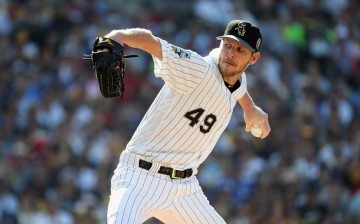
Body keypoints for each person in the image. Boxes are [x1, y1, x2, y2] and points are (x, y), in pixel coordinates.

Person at [104, 20, 271, 224]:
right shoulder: (197, 68)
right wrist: (118, 36)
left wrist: (250, 108)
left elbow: (237, 87)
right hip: (139, 177)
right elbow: (152, 42)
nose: (231, 54)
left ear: (253, 59)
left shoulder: (236, 77)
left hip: (184, 189)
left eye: (240, 50)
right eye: (227, 45)